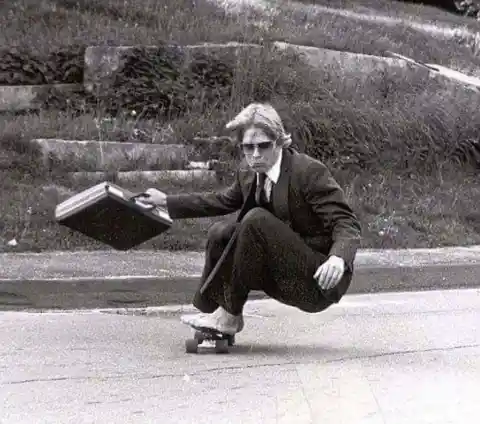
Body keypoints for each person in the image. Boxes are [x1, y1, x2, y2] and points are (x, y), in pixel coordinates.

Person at [137, 102, 362, 335]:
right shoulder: (248, 173)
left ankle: (229, 317)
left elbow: (346, 222)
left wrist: (338, 259)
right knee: (221, 232)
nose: (255, 155)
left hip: (317, 280)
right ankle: (212, 313)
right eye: (248, 147)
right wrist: (166, 201)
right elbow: (220, 200)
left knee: (255, 219)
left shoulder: (307, 172)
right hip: (279, 274)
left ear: (279, 142)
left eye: (263, 146)